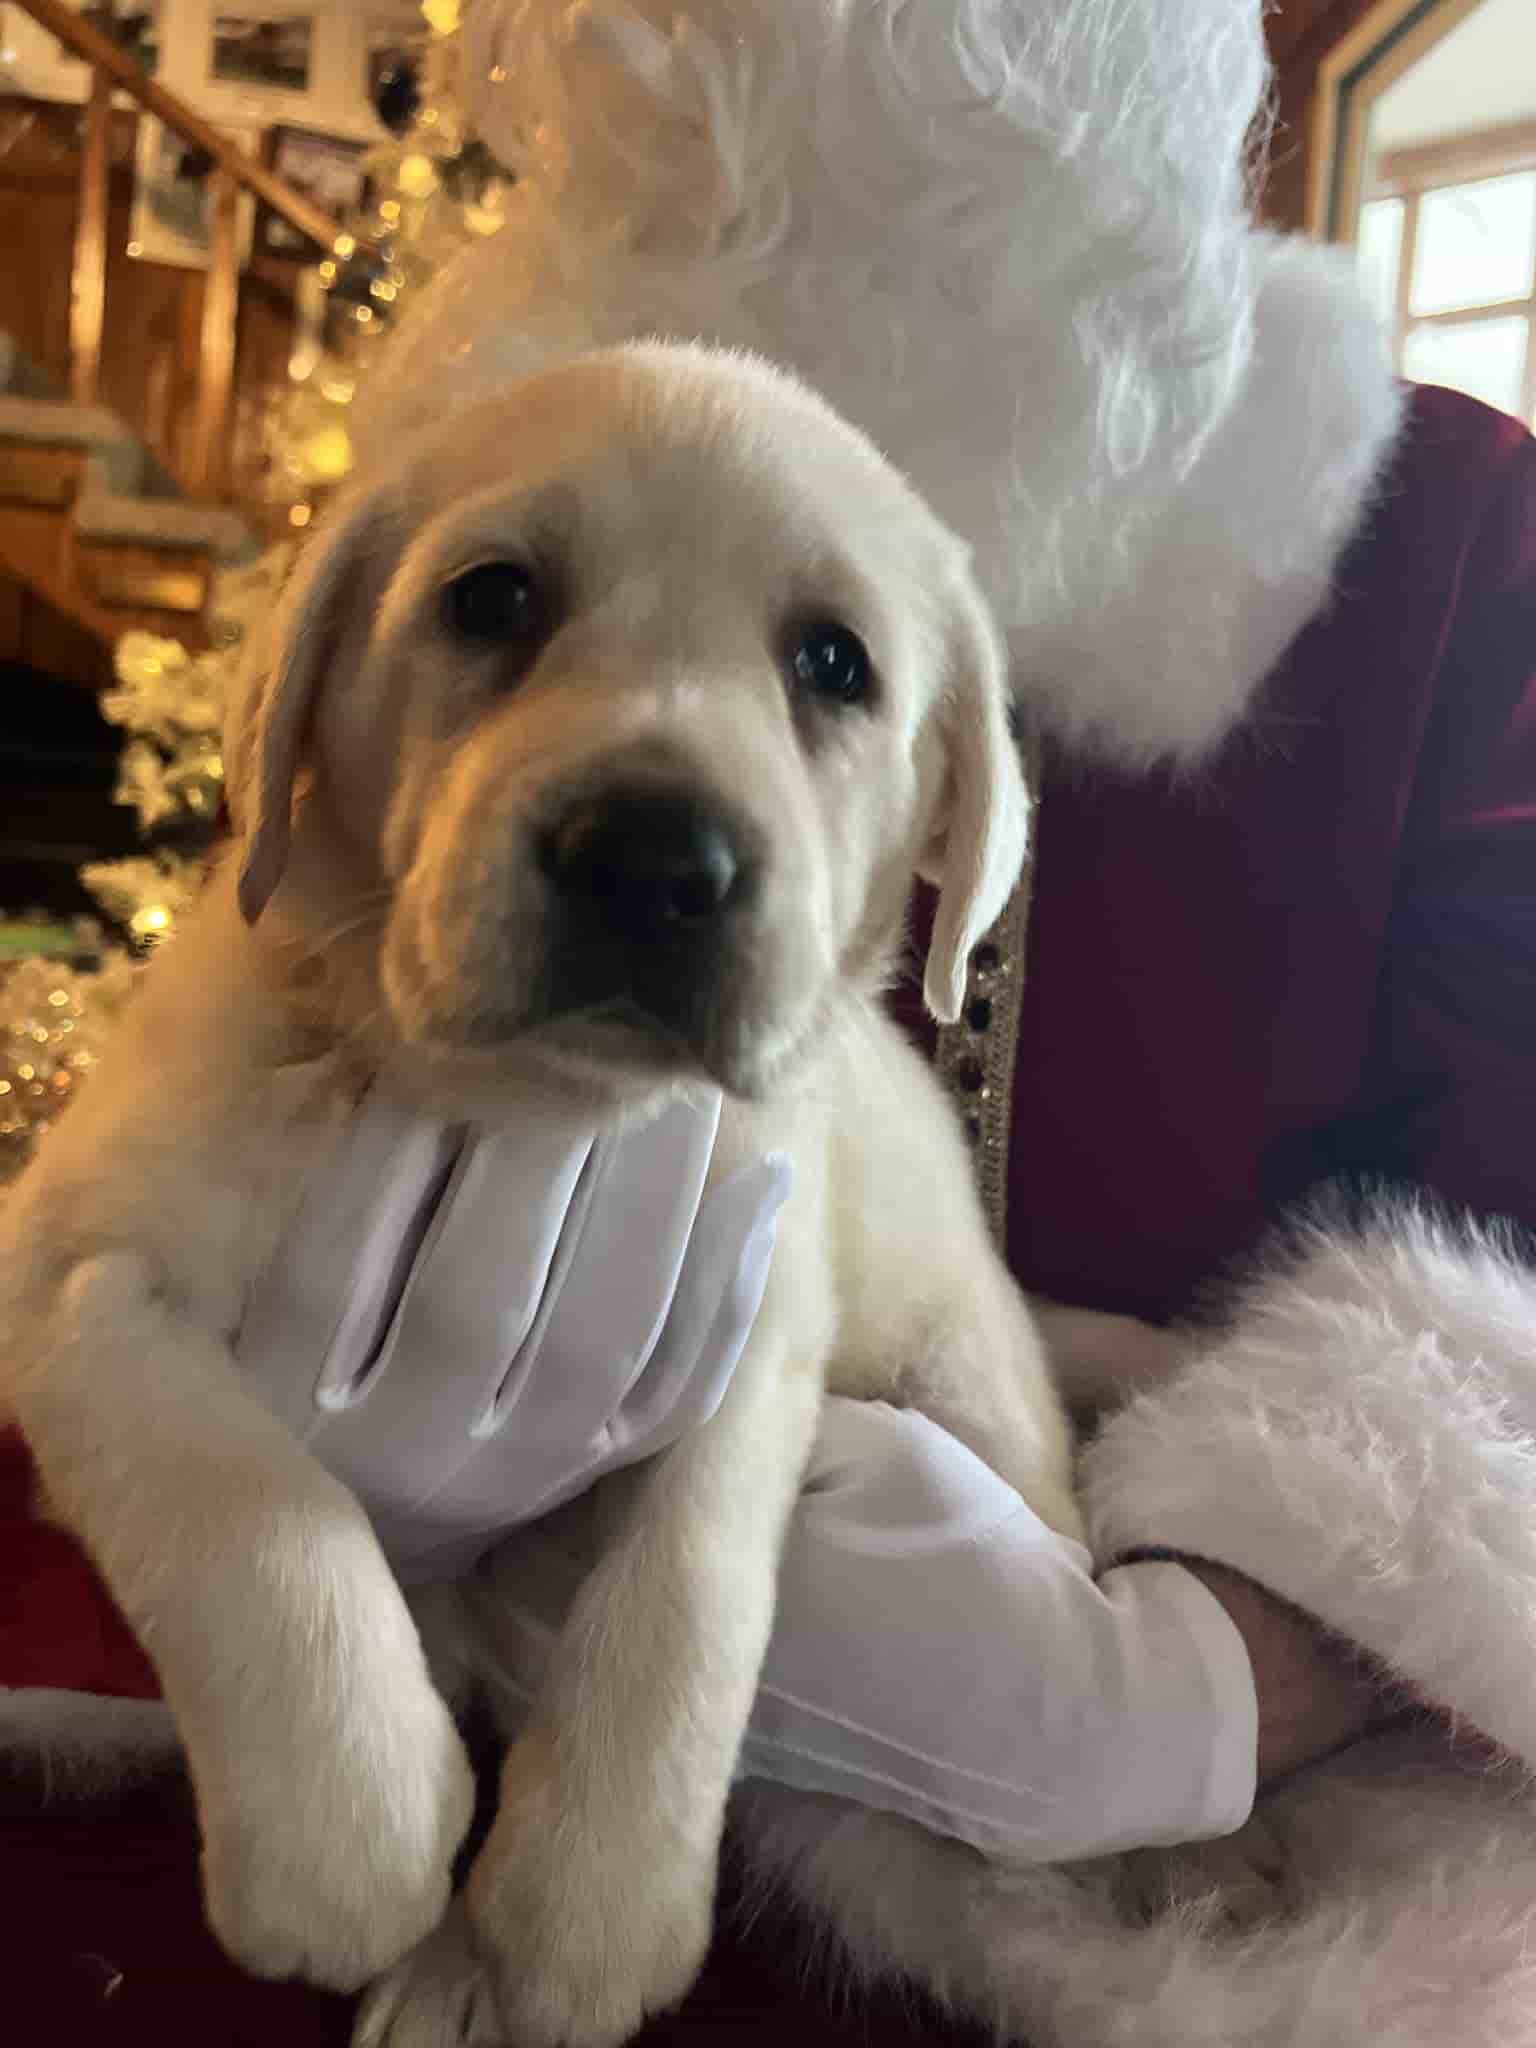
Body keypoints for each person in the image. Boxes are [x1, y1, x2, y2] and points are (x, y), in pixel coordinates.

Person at [4, 1, 1536, 2043]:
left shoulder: (1445, 541)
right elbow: (127, 1239)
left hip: (1180, 1917)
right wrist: (303, 1511)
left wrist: (1200, 1685)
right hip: (382, 1861)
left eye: (829, 658)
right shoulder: (494, 418)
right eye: (504, 608)